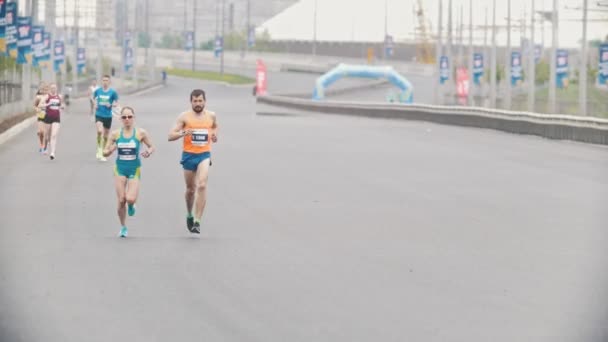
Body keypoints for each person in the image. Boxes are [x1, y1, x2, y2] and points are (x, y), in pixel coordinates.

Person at [168, 89, 218, 234]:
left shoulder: (211, 115)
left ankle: (197, 221)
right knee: (190, 190)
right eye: (195, 101)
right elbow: (170, 135)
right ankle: (189, 214)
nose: (198, 104)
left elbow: (214, 127)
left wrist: (214, 135)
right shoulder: (184, 117)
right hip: (189, 155)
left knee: (202, 184)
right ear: (191, 102)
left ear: (204, 101)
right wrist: (183, 133)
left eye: (200, 101)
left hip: (204, 154)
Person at [102, 107, 155, 238]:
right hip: (120, 168)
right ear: (120, 119)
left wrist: (148, 152)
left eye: (129, 117)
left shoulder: (140, 133)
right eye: (124, 117)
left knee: (130, 198)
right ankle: (123, 227)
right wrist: (112, 149)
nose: (127, 119)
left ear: (134, 117)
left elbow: (152, 146)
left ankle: (131, 205)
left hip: (134, 168)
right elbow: (104, 151)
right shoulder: (115, 134)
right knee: (121, 200)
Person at [93, 75, 119, 162]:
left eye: (107, 80)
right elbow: (94, 99)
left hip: (108, 116)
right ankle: (99, 149)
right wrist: (95, 104)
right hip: (99, 114)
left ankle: (102, 151)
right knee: (100, 131)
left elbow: (116, 103)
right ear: (102, 81)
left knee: (106, 136)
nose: (105, 82)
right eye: (103, 80)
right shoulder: (98, 91)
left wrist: (111, 105)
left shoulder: (113, 92)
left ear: (109, 82)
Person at [42, 83, 65, 160]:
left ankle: (52, 153)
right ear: (50, 89)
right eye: (52, 88)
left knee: (54, 135)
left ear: (56, 88)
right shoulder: (47, 96)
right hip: (48, 117)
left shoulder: (59, 96)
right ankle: (45, 146)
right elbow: (40, 105)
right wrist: (47, 104)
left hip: (56, 118)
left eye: (54, 88)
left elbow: (62, 105)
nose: (53, 89)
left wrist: (62, 107)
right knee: (46, 135)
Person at [33, 82, 49, 153]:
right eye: (42, 89)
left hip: (48, 115)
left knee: (46, 132)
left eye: (45, 89)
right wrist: (37, 109)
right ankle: (41, 145)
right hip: (41, 115)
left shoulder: (49, 96)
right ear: (39, 89)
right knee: (40, 132)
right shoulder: (38, 97)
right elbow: (34, 106)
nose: (44, 90)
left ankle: (45, 148)